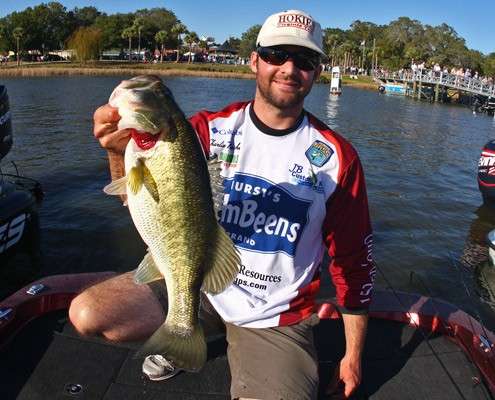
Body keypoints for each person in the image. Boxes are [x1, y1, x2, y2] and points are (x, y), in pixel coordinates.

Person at [69, 9, 375, 400]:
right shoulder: (203, 131)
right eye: (277, 54)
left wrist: (353, 356)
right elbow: (141, 201)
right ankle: (185, 331)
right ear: (255, 60)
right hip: (197, 285)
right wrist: (117, 151)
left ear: (317, 71)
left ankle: (202, 342)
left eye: (304, 60)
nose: (288, 68)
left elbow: (353, 261)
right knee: (87, 313)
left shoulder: (336, 159)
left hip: (273, 315)